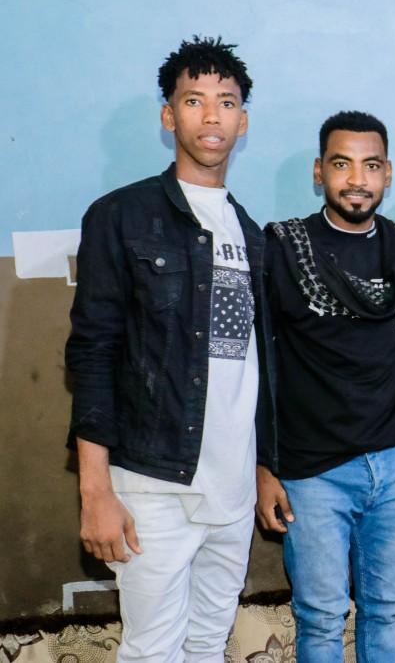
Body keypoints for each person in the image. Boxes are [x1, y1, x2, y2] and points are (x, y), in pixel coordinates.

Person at [65, 36, 269, 661]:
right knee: (153, 650)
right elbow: (92, 351)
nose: (211, 115)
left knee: (207, 644)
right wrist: (95, 491)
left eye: (226, 102)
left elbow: (255, 367)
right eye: (193, 100)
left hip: (232, 490)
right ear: (168, 115)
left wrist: (263, 469)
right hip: (153, 484)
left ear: (242, 121)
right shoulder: (121, 216)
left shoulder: (252, 233)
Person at [255, 111, 395, 662]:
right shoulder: (282, 248)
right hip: (313, 472)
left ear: (388, 174)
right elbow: (256, 364)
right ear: (318, 171)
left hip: (393, 462)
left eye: (371, 166)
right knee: (322, 618)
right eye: (342, 164)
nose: (357, 180)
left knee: (388, 610)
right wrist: (263, 466)